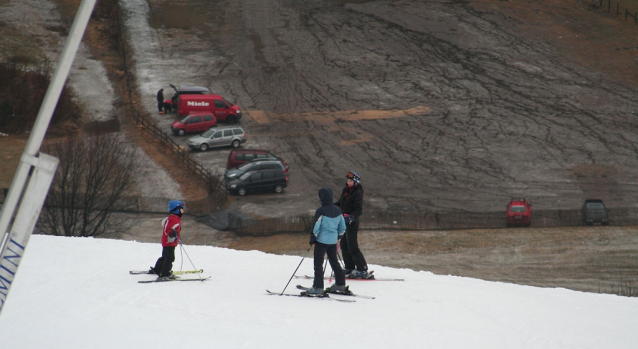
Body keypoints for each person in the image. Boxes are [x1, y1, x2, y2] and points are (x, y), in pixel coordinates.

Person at [305, 187, 348, 296]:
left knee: (318, 264)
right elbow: (342, 227)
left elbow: (316, 227)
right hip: (333, 242)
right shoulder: (338, 210)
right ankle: (340, 284)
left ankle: (318, 287)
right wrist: (338, 237)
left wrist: (313, 240)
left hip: (321, 242)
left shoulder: (321, 211)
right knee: (334, 261)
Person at [335, 171, 373, 279]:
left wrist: (351, 217)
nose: (348, 182)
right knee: (344, 246)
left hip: (352, 223)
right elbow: (340, 204)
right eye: (348, 180)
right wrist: (329, 206)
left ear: (355, 182)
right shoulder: (345, 190)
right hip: (343, 223)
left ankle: (362, 269)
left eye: (351, 181)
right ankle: (349, 266)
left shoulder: (358, 193)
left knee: (352, 247)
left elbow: (358, 210)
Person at [149, 200, 184, 280]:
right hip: (169, 242)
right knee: (169, 258)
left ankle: (157, 269)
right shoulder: (173, 219)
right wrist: (172, 233)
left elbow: (176, 229)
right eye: (181, 209)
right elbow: (168, 229)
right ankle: (165, 274)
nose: (183, 211)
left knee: (165, 257)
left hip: (170, 242)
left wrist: (177, 238)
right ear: (176, 210)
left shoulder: (175, 218)